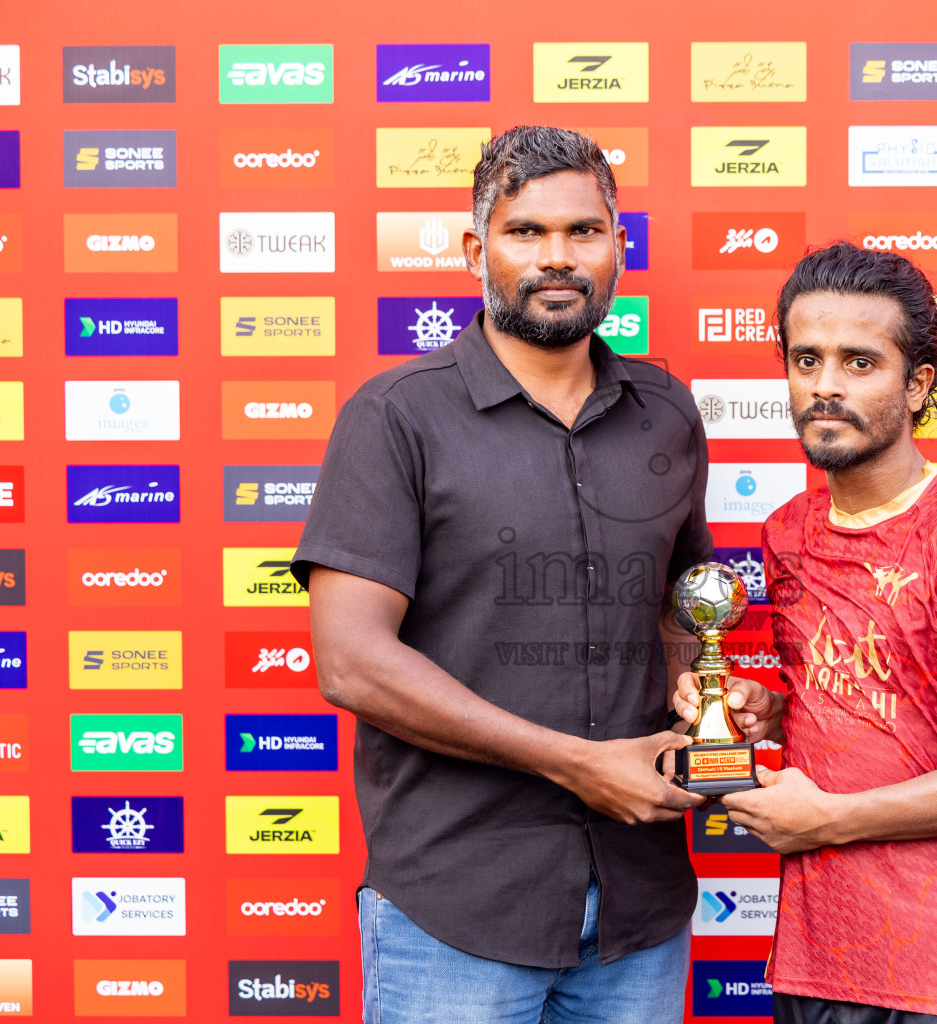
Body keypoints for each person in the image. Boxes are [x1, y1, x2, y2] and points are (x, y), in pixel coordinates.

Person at [294, 126, 711, 1024]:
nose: (557, 257)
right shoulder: (395, 417)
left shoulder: (668, 414)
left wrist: (704, 699)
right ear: (477, 250)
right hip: (455, 912)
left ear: (618, 248)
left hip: (641, 910)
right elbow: (350, 662)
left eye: (583, 232)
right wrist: (578, 765)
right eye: (526, 232)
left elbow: (682, 606)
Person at [675, 242, 937, 1024]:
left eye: (860, 363)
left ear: (918, 384)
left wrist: (828, 819)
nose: (825, 386)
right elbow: (885, 696)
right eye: (806, 359)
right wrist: (767, 709)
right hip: (815, 961)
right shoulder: (785, 534)